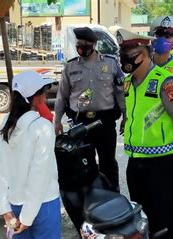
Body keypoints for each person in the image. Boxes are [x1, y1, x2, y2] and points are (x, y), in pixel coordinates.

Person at [116, 27, 173, 239]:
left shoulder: (165, 82)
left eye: (129, 56)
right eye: (122, 56)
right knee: (143, 220)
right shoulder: (127, 83)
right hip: (135, 164)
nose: (125, 61)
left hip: (162, 165)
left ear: (144, 54)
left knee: (167, 220)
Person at [54, 27, 125, 190]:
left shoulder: (110, 63)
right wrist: (57, 120)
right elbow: (62, 96)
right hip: (80, 124)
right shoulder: (70, 67)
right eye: (79, 44)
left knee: (108, 161)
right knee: (84, 162)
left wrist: (125, 115)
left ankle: (112, 195)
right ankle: (90, 197)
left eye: (85, 44)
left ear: (94, 44)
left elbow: (120, 92)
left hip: (105, 122)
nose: (81, 47)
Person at [0, 71, 61, 239]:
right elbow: (39, 176)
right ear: (37, 97)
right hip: (44, 205)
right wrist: (27, 218)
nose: (46, 95)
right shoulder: (42, 127)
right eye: (44, 91)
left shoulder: (6, 123)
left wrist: (5, 208)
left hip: (14, 205)